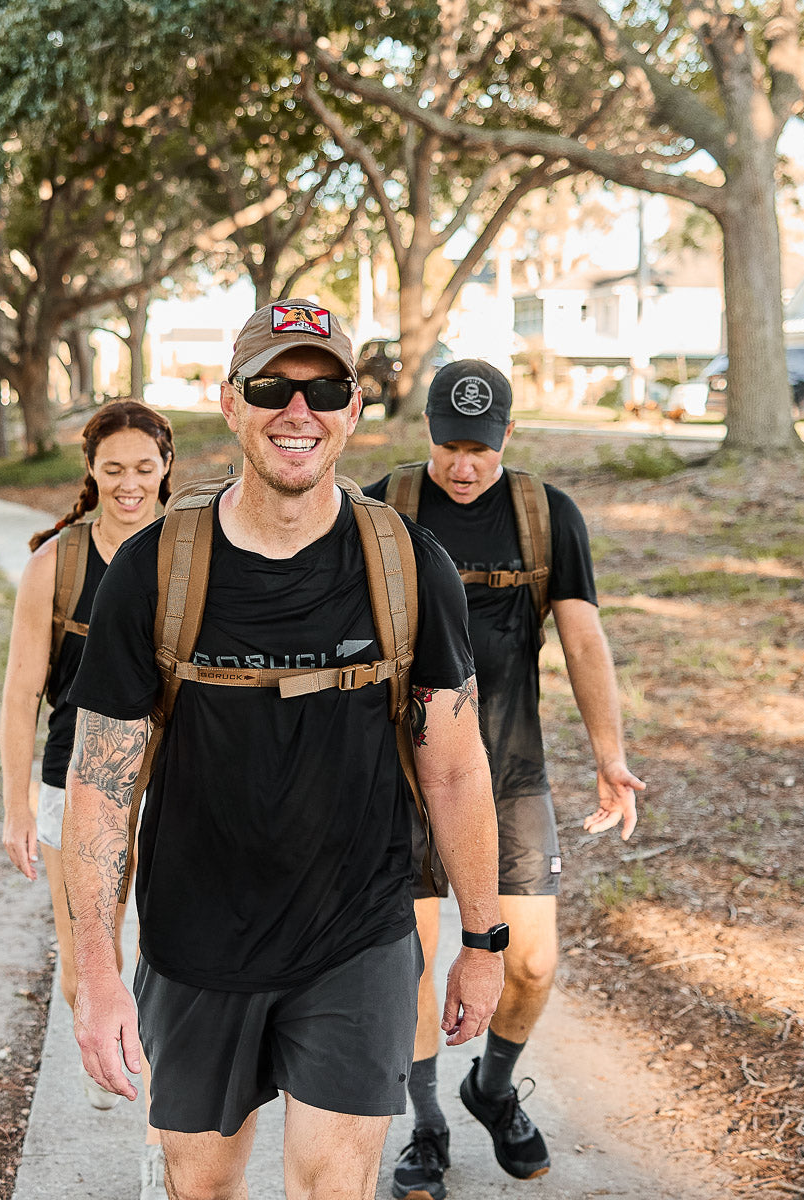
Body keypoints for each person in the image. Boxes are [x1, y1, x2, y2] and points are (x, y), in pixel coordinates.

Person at [61, 301, 507, 1200]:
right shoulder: (151, 572)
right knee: (204, 1189)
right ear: (231, 404)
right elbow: (100, 788)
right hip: (195, 944)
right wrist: (96, 974)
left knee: (332, 1190)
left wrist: (485, 938)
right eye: (271, 387)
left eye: (323, 388)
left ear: (351, 410)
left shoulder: (409, 565)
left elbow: (454, 765)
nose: (296, 410)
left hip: (357, 937)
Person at [365, 359, 645, 1196]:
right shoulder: (385, 508)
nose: (463, 465)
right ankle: (425, 1123)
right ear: (427, 437)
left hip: (510, 777)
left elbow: (585, 640)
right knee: (409, 967)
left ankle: (490, 1086)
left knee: (528, 964)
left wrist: (609, 756)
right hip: (401, 777)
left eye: (479, 450)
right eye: (449, 446)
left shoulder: (545, 515)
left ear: (507, 439)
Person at [0, 399, 174, 1199]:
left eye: (144, 467)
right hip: (76, 785)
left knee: (180, 952)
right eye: (114, 470)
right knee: (84, 973)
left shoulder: (193, 549)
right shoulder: (56, 564)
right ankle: (127, 1049)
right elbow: (19, 694)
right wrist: (16, 808)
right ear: (90, 471)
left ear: (166, 464)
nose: (130, 484)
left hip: (179, 786)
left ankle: (176, 1086)